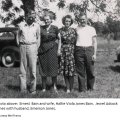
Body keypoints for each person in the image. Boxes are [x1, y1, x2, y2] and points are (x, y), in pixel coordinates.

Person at [17, 10, 40, 94]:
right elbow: (18, 34)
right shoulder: (21, 25)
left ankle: (33, 89)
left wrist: (36, 47)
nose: (31, 19)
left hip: (32, 47)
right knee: (22, 69)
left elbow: (38, 37)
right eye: (29, 17)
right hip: (23, 46)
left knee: (33, 70)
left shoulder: (37, 26)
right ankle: (23, 89)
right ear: (26, 16)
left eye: (33, 17)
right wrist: (18, 43)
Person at [74, 13, 97, 92]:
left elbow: (95, 42)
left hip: (89, 50)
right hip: (79, 50)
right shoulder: (76, 29)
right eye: (81, 19)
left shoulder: (91, 29)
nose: (82, 21)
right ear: (79, 20)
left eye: (84, 19)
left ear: (87, 19)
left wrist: (94, 54)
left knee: (90, 70)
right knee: (80, 71)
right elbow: (75, 40)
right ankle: (82, 89)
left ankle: (90, 88)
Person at [38, 14, 61, 92]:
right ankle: (43, 87)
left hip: (53, 49)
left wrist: (59, 49)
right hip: (43, 49)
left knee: (53, 67)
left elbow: (59, 39)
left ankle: (54, 86)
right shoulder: (41, 28)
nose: (46, 21)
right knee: (43, 67)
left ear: (51, 20)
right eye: (45, 19)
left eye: (48, 19)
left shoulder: (55, 28)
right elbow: (38, 39)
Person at [59, 15, 77, 93]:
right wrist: (59, 50)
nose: (67, 22)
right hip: (63, 51)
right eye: (66, 21)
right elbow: (59, 41)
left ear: (71, 22)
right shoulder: (60, 31)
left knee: (71, 70)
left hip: (72, 51)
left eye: (69, 21)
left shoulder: (73, 30)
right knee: (65, 70)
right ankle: (67, 87)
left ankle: (72, 87)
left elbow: (76, 42)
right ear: (64, 21)